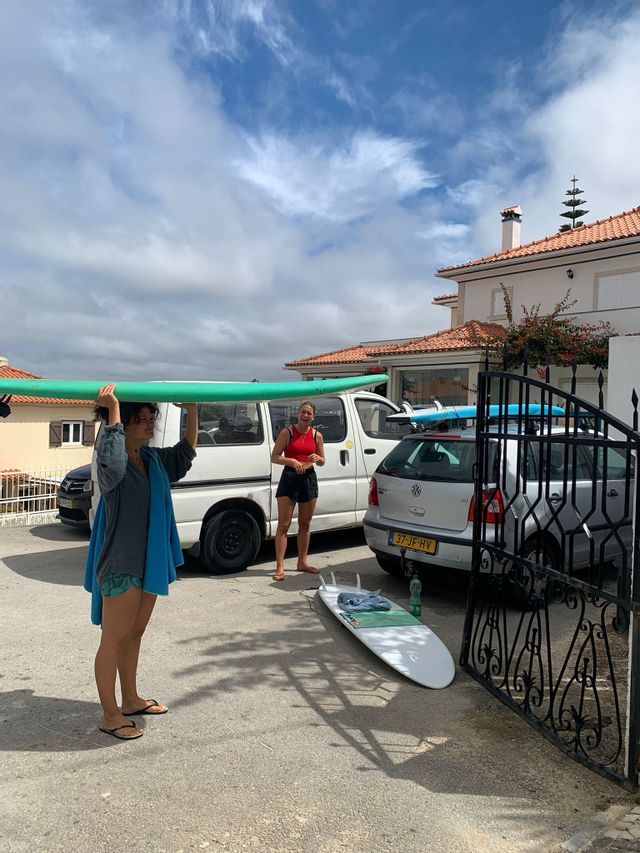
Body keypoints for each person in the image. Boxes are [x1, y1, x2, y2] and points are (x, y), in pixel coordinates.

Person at [83, 384, 197, 741]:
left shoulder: (150, 460)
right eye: (141, 419)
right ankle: (109, 714)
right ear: (124, 424)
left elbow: (185, 453)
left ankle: (130, 699)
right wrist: (112, 410)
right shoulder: (110, 464)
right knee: (114, 639)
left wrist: (192, 411)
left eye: (152, 418)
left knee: (134, 634)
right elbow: (114, 457)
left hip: (147, 561)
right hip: (120, 564)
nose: (150, 425)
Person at [271, 401, 325, 581]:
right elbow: (275, 457)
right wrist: (292, 461)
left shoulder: (317, 435)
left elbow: (323, 460)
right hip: (290, 478)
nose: (306, 415)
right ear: (298, 413)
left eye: (309, 413)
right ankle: (280, 566)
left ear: (313, 416)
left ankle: (302, 562)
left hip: (308, 478)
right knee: (284, 525)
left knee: (305, 524)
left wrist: (318, 458)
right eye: (303, 412)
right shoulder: (287, 432)